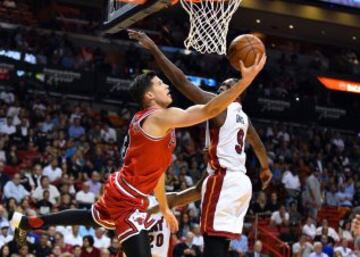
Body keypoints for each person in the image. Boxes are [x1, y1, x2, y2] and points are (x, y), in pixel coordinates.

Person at [11, 53, 265, 257]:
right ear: (149, 95)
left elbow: (158, 172)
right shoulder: (160, 116)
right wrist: (244, 83)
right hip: (128, 199)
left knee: (92, 218)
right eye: (159, 84)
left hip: (124, 188)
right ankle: (29, 223)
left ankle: (28, 222)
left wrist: (165, 208)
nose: (166, 86)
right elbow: (210, 109)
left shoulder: (155, 121)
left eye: (163, 82)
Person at [129, 30, 272, 257]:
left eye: (225, 88)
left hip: (225, 181)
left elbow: (181, 81)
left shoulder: (220, 107)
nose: (219, 91)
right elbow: (258, 147)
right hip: (242, 185)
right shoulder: (245, 120)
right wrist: (265, 169)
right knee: (219, 247)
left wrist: (154, 49)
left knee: (213, 248)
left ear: (236, 94)